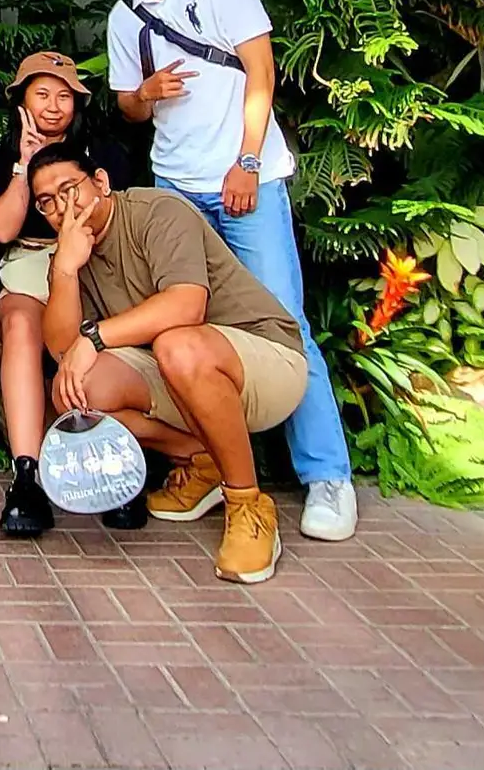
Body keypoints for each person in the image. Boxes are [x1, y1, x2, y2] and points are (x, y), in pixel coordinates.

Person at [97, 0, 357, 542]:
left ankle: (326, 475)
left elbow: (260, 72)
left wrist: (246, 162)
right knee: (185, 333)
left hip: (245, 179)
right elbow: (128, 103)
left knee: (281, 321)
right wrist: (147, 93)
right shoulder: (126, 15)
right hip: (177, 186)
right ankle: (213, 465)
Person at [30, 144, 309, 583]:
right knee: (79, 389)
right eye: (47, 201)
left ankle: (248, 504)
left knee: (179, 344)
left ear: (100, 183)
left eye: (70, 189)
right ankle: (205, 461)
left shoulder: (157, 212)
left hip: (266, 360)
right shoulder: (72, 251)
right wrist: (63, 270)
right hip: (178, 371)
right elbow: (65, 351)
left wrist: (97, 338)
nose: (62, 207)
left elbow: (186, 305)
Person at [0, 51, 132, 539]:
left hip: (93, 262)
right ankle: (28, 475)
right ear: (21, 100)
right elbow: (1, 230)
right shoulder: (4, 155)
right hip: (27, 260)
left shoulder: (102, 157)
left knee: (97, 336)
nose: (53, 105)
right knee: (22, 327)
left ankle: (111, 467)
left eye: (64, 95)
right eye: (41, 94)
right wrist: (24, 165)